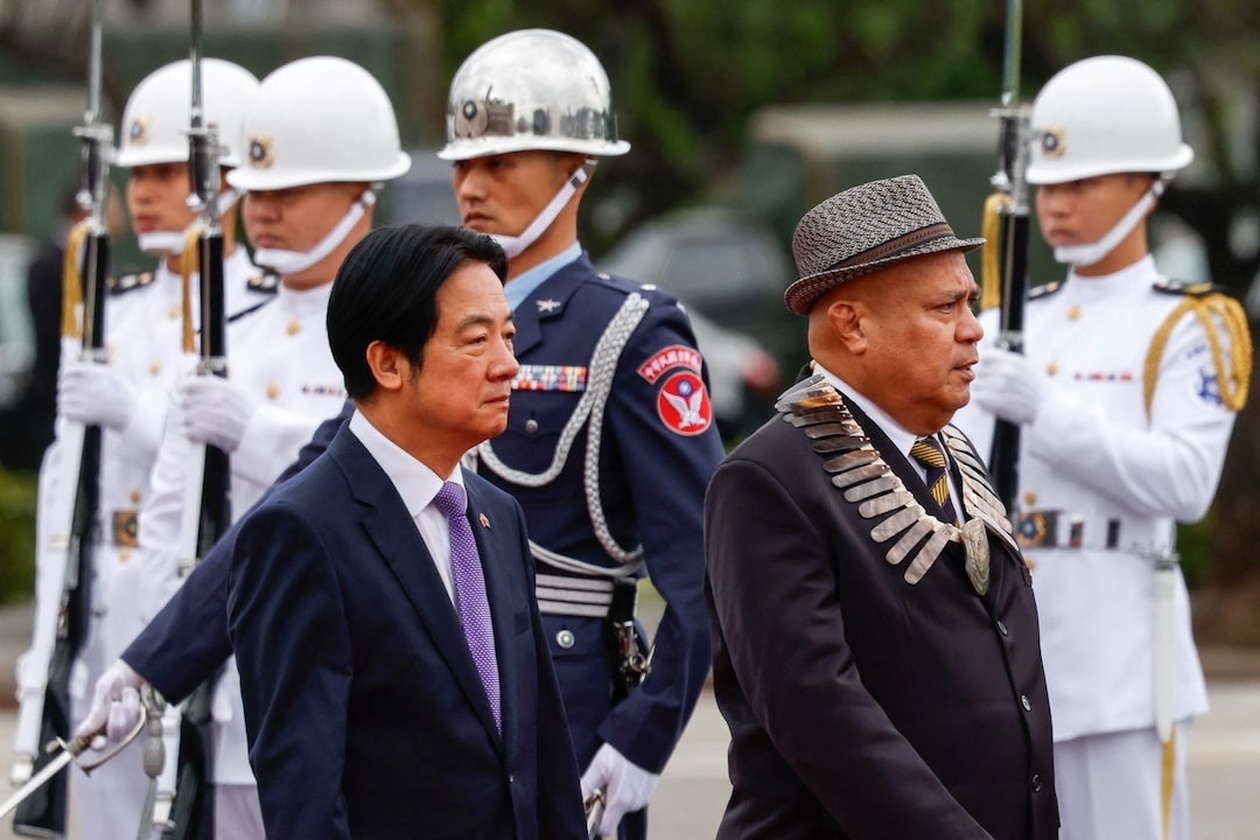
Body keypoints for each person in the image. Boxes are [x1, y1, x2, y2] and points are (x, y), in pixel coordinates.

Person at [76, 55, 410, 838]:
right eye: (255, 191)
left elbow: (379, 477)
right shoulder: (227, 334)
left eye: (288, 190)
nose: (261, 210)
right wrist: (156, 649)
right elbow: (171, 515)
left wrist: (256, 434)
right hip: (220, 690)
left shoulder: (391, 336)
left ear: (362, 192)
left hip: (350, 670)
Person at [704, 174, 1059, 838]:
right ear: (853, 324)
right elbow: (819, 714)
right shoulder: (769, 479)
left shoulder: (948, 450)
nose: (974, 330)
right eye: (944, 307)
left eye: (971, 303)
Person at [441, 29, 725, 839]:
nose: (473, 185)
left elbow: (705, 568)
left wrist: (645, 735)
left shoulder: (629, 334)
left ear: (577, 171)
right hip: (432, 692)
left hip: (565, 701)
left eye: (502, 163)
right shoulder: (425, 322)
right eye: (463, 163)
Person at [959, 56, 1252, 840]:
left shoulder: (1189, 325)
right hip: (1010, 647)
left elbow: (1186, 483)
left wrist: (1048, 411)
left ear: (1145, 185)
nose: (1056, 205)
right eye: (1047, 186)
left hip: (1122, 658)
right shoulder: (1009, 324)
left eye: (1080, 184)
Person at [227, 223, 586, 838]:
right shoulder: (300, 532)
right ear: (388, 362)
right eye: (476, 341)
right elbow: (304, 793)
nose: (509, 366)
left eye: (508, 336)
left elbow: (542, 751)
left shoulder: (497, 514)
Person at [9, 58, 261, 840]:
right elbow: (66, 495)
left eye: (169, 172)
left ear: (234, 180)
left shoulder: (260, 308)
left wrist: (137, 416)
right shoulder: (110, 311)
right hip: (106, 607)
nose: (144, 192)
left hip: (208, 603)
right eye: (136, 173)